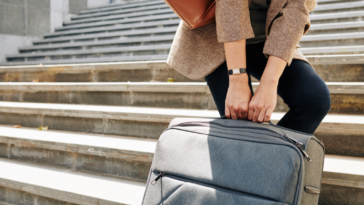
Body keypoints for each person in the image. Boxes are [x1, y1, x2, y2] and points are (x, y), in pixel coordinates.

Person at [166, 0, 331, 134]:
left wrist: (269, 82)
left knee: (314, 99)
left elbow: (297, 9)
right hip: (220, 35)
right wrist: (237, 79)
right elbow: (231, 4)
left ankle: (272, 167)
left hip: (269, 37)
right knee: (241, 121)